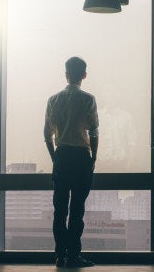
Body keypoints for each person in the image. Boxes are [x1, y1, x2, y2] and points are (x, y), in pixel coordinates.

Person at [44, 57, 99, 268]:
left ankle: (60, 256)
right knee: (77, 209)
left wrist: (54, 157)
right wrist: (93, 157)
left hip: (62, 156)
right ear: (84, 75)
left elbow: (46, 135)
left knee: (60, 210)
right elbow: (93, 131)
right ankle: (74, 256)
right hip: (80, 158)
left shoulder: (53, 100)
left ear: (65, 74)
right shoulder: (88, 99)